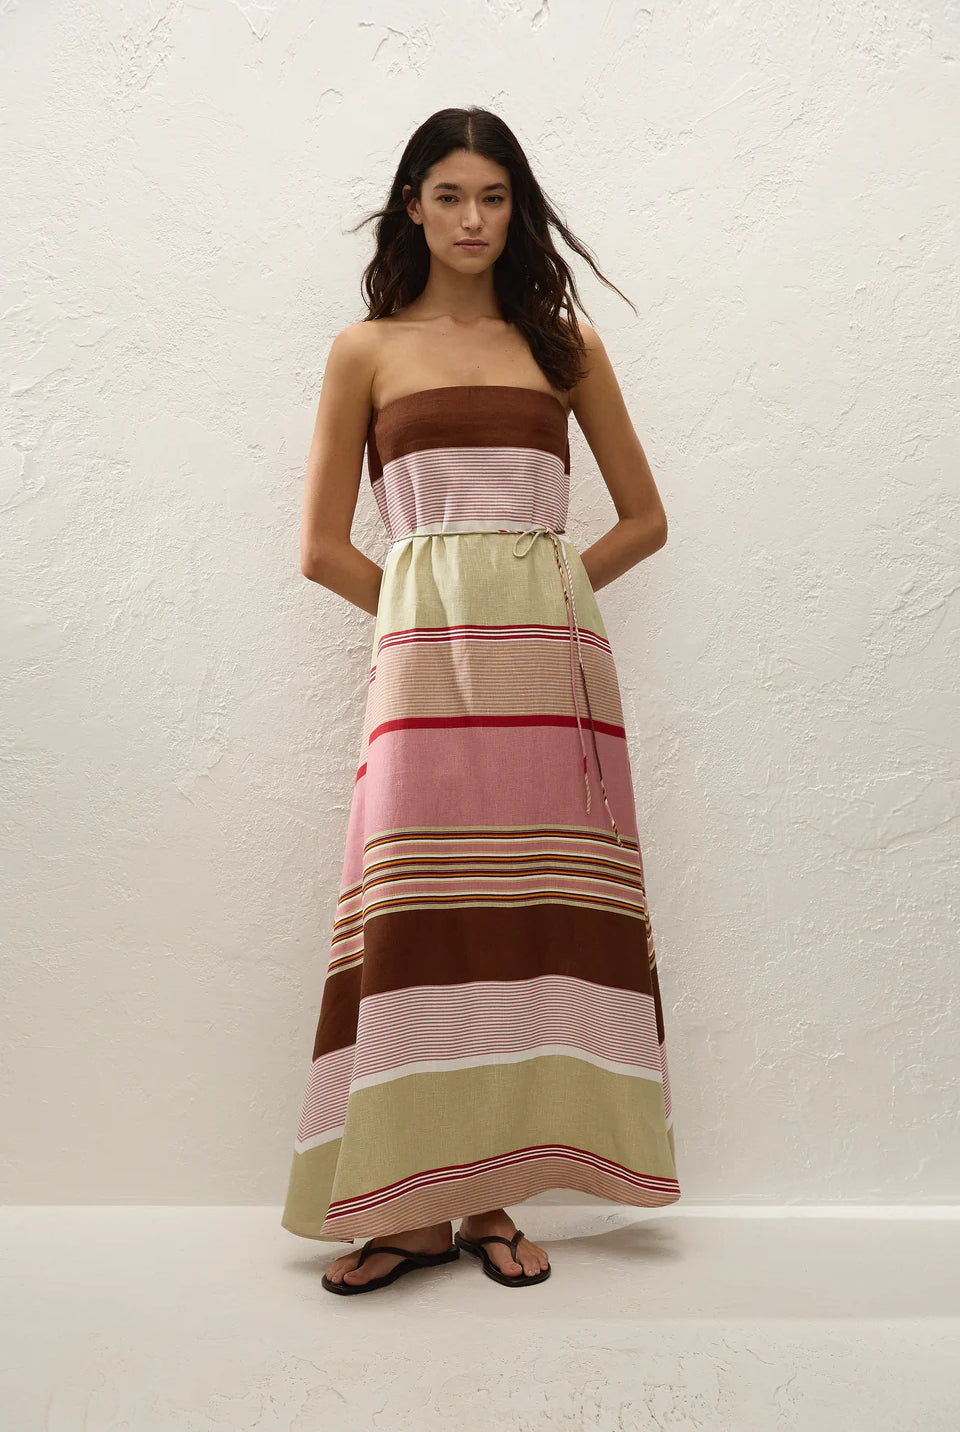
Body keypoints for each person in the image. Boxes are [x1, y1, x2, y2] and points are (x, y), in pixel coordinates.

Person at [281, 106, 680, 1295]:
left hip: (551, 689)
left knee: (524, 924)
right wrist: (427, 616)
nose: (472, 220)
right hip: (421, 689)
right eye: (449, 195)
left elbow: (647, 519)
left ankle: (489, 1195)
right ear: (412, 203)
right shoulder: (364, 349)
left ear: (519, 209)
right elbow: (317, 549)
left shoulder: (562, 342)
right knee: (422, 928)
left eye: (494, 198)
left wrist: (545, 600)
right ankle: (410, 1209)